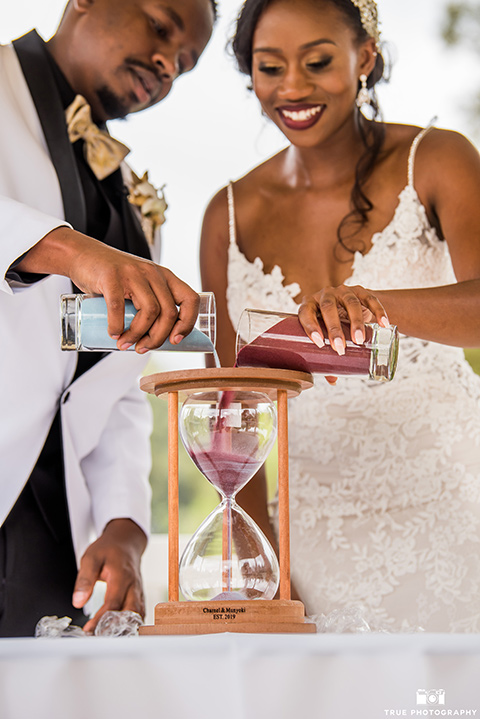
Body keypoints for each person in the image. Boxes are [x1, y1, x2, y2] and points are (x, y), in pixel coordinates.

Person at [200, 0, 480, 632]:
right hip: (312, 536)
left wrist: (376, 307)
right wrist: (258, 559)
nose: (292, 88)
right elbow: (231, 400)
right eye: (270, 67)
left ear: (366, 58)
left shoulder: (437, 159)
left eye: (318, 62)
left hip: (456, 510)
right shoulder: (227, 215)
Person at [0, 0, 216, 636]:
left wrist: (125, 524)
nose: (166, 63)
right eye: (160, 25)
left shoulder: (132, 196)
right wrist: (66, 248)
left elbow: (117, 385)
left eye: (184, 62)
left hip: (52, 540)